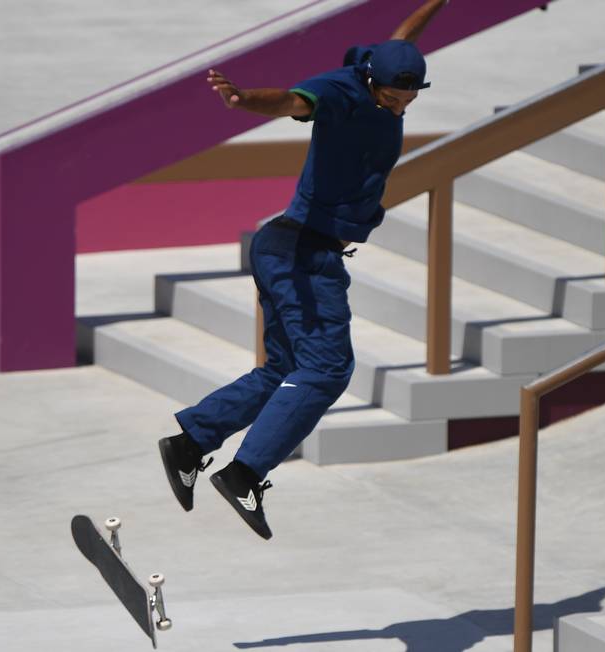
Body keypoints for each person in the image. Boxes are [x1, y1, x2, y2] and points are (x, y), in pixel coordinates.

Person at [158, 0, 450, 540]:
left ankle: (190, 442)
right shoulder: (340, 92)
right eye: (391, 97)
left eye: (409, 99)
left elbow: (405, 34)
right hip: (303, 254)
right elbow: (292, 99)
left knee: (281, 369)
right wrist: (244, 99)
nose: (400, 106)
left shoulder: (389, 65)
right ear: (370, 81)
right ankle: (245, 472)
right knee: (326, 368)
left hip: (288, 247)